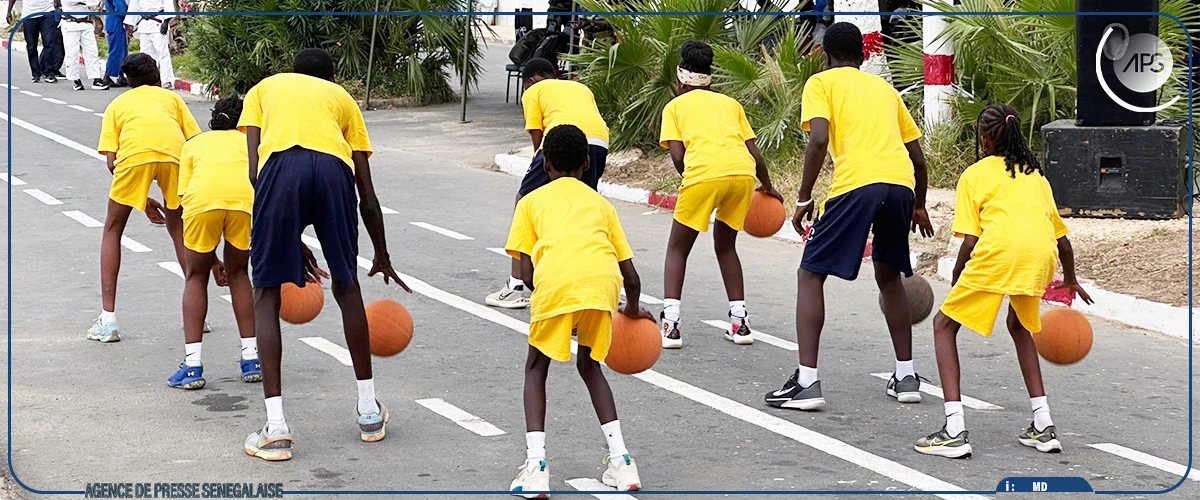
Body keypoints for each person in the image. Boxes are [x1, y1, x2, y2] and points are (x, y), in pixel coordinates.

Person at [239, 48, 408, 462]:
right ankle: (369, 412)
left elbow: (254, 172)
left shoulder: (264, 89)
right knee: (347, 289)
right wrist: (381, 253)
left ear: (293, 72)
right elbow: (367, 193)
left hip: (281, 170)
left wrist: (285, 233)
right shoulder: (342, 99)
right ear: (329, 79)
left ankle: (276, 429)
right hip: (335, 173)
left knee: (265, 294)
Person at [764, 22, 933, 411]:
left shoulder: (821, 84)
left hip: (859, 183)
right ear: (864, 55)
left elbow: (819, 139)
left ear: (826, 54)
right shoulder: (886, 91)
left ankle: (806, 382)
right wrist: (919, 204)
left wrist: (804, 198)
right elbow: (919, 159)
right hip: (900, 185)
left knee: (810, 274)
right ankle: (906, 376)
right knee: (889, 276)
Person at [913, 105, 1092, 459]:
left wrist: (957, 274)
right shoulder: (1036, 176)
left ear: (984, 137)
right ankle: (1043, 425)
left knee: (943, 325)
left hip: (999, 253)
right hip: (1040, 256)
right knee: (1020, 326)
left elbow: (970, 241)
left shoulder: (975, 175)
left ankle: (954, 430)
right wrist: (1069, 279)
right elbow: (1062, 240)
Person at [504, 125, 647, 496]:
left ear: (546, 163)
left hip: (557, 286)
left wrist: (557, 299)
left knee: (536, 368)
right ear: (587, 164)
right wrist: (632, 309)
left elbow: (527, 272)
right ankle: (622, 461)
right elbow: (631, 276)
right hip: (602, 287)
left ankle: (536, 466)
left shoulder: (530, 203)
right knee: (590, 366)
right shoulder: (602, 204)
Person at [657, 40, 780, 349]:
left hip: (702, 174)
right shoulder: (731, 105)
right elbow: (756, 155)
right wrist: (767, 186)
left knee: (677, 250)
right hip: (741, 175)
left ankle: (671, 324)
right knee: (726, 247)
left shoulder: (674, 107)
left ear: (681, 76)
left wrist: (693, 178)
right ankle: (740, 323)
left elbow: (677, 156)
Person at [90, 53, 200, 343]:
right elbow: (192, 140)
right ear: (156, 75)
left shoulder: (117, 105)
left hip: (133, 158)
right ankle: (198, 311)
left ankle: (108, 321)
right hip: (175, 157)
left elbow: (113, 162)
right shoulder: (172, 100)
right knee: (179, 230)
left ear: (128, 80)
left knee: (113, 230)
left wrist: (140, 196)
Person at [484, 57, 610, 310]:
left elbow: (538, 138)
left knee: (524, 202)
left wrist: (543, 172)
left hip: (560, 139)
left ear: (531, 80)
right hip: (598, 141)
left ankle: (515, 285)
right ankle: (590, 282)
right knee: (583, 207)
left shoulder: (534, 92)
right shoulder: (580, 87)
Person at [165, 96, 261, 390]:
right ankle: (252, 359)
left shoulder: (194, 144)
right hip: (245, 202)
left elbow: (184, 198)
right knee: (240, 274)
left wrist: (209, 260)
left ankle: (192, 366)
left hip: (202, 203)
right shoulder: (251, 143)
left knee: (195, 276)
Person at [8, 0, 63, 83]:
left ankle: (49, 72)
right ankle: (35, 74)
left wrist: (58, 3)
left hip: (47, 12)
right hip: (29, 15)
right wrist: (9, 11)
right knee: (31, 46)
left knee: (50, 42)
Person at [60, 0, 110, 90]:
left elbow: (94, 2)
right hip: (71, 24)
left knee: (92, 51)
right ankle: (75, 79)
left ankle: (96, 78)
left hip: (86, 23)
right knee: (72, 53)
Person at [124, 0, 174, 89]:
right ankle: (146, 80)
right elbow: (133, 6)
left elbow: (168, 4)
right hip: (144, 24)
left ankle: (167, 80)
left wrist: (166, 22)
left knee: (163, 54)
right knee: (145, 56)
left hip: (158, 22)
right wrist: (130, 25)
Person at [103, 0, 129, 87]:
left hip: (115, 21)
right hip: (116, 22)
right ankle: (108, 76)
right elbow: (122, 9)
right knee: (116, 51)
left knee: (123, 51)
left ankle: (121, 75)